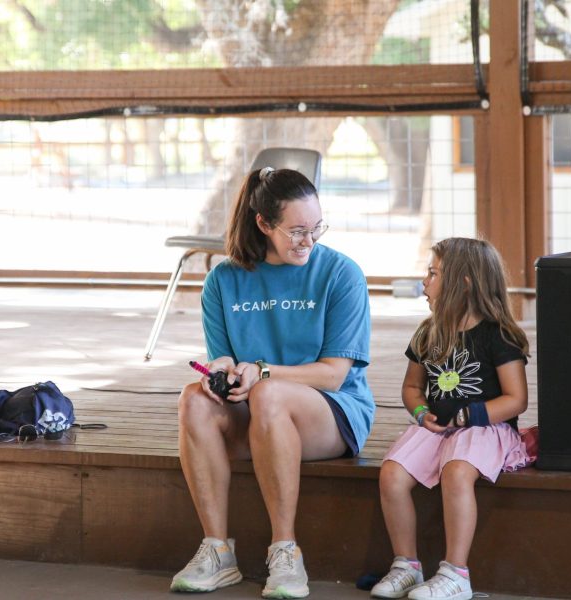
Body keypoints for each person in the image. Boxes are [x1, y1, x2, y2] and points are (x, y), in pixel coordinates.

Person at [170, 167, 374, 599]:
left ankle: (285, 551)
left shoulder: (342, 274)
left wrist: (262, 372)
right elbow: (225, 357)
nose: (309, 241)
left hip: (331, 413)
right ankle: (217, 551)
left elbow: (334, 374)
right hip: (257, 413)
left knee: (269, 393)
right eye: (297, 231)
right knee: (193, 399)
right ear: (263, 223)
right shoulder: (222, 280)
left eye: (316, 228)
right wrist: (221, 371)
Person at [370, 237, 531, 600]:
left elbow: (516, 399)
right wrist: (420, 413)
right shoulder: (428, 332)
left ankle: (455, 574)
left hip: (487, 428)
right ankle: (407, 566)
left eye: (433, 274)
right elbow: (412, 387)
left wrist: (473, 415)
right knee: (392, 472)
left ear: (464, 282)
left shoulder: (498, 335)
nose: (424, 282)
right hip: (439, 428)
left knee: (456, 471)